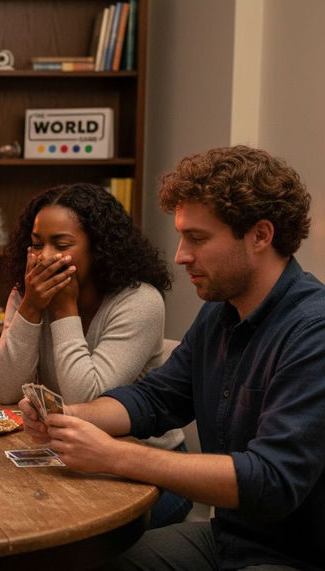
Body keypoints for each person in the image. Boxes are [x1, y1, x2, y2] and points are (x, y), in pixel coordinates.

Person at [21, 146, 325, 570]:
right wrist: (69, 415)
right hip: (229, 540)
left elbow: (272, 481)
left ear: (260, 235)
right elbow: (155, 399)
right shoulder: (220, 313)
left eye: (197, 238)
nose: (181, 255)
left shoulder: (313, 331)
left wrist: (115, 456)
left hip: (295, 557)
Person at [0, 182, 189, 528]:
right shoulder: (29, 293)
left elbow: (88, 399)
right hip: (70, 456)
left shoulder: (140, 301)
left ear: (99, 248)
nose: (43, 257)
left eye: (61, 245)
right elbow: (3, 389)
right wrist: (32, 308)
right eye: (36, 245)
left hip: (150, 467)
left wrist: (65, 311)